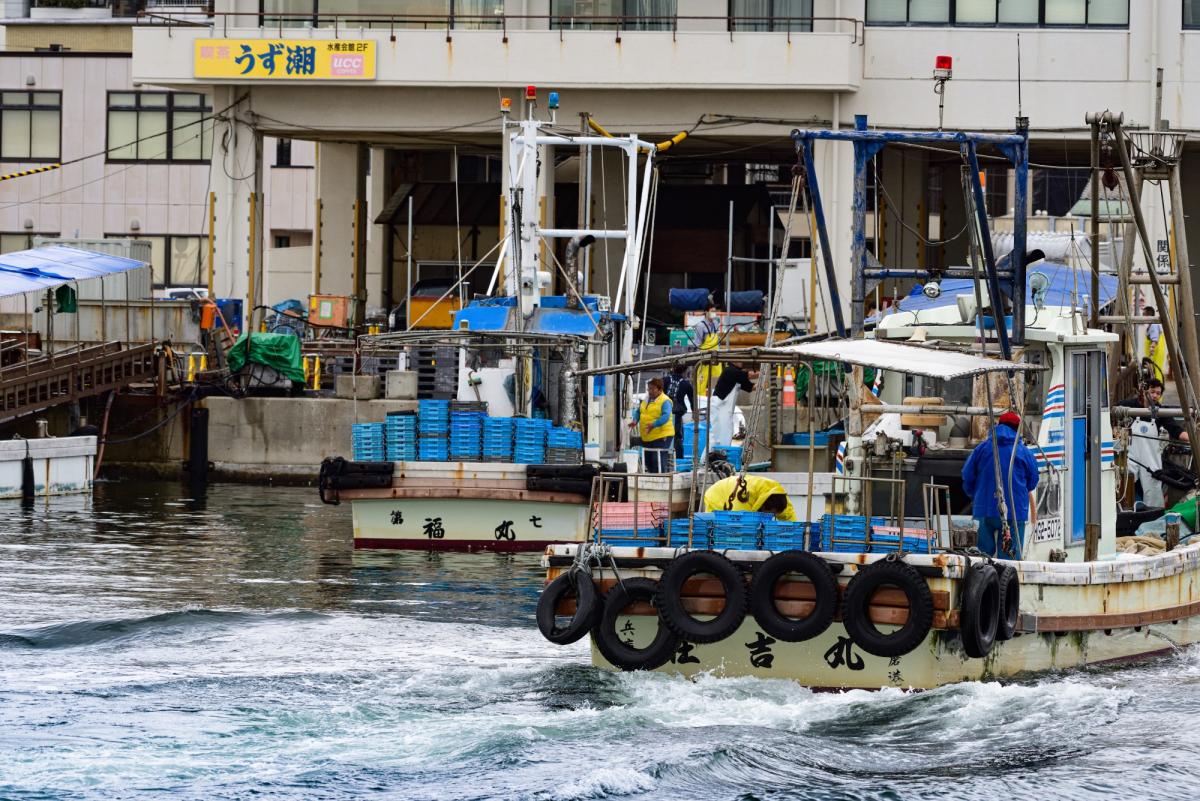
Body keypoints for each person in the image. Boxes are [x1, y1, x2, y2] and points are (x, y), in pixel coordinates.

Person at [961, 410, 1040, 559]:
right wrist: (1020, 492)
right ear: (1017, 429)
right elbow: (1033, 480)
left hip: (984, 510)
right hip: (1014, 513)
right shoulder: (1024, 452)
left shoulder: (982, 449)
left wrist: (976, 495)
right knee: (1009, 560)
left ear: (998, 426)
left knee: (982, 559)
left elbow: (967, 475)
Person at [1117, 378, 1188, 508]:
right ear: (1144, 392)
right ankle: (1123, 510)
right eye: (1152, 392)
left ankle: (1153, 515)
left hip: (1150, 458)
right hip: (1130, 455)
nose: (1155, 395)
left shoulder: (1161, 412)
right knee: (1123, 481)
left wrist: (1191, 438)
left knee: (1153, 488)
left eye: (1158, 393)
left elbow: (1176, 430)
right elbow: (1113, 414)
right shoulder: (1129, 405)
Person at [703, 474, 796, 521]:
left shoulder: (779, 496)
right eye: (769, 514)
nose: (771, 517)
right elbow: (741, 523)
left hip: (746, 489)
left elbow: (790, 518)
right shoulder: (743, 497)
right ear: (763, 507)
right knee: (723, 524)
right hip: (717, 494)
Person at [629, 377, 674, 473]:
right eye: (649, 388)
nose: (650, 391)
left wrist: (654, 424)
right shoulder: (646, 399)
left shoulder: (665, 401)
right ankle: (652, 478)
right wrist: (635, 421)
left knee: (657, 460)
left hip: (662, 436)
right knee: (648, 460)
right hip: (648, 435)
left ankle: (661, 479)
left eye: (653, 389)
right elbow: (638, 411)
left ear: (660, 390)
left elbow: (666, 416)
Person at [710, 361, 757, 447]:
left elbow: (749, 386)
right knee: (718, 436)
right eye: (740, 360)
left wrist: (762, 384)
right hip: (719, 407)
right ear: (733, 361)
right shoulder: (730, 371)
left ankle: (721, 454)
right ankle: (712, 456)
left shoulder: (736, 376)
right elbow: (749, 375)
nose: (742, 362)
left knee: (725, 433)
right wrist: (765, 372)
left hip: (725, 409)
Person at [692, 303, 723, 397]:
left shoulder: (716, 324)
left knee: (718, 378)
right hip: (704, 356)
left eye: (715, 311)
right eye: (712, 311)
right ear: (706, 312)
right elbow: (697, 344)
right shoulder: (700, 326)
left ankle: (716, 398)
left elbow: (717, 341)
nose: (714, 313)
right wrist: (699, 357)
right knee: (701, 380)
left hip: (716, 356)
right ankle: (699, 401)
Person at [664, 364, 695, 460]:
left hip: (663, 412)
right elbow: (693, 401)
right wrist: (695, 413)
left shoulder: (665, 380)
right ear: (685, 371)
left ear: (672, 369)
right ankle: (678, 459)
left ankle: (662, 457)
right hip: (677, 414)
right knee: (677, 436)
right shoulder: (686, 384)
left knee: (662, 435)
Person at [1144, 306, 1166, 381]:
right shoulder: (1152, 325)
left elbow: (1155, 340)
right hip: (1156, 353)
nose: (1143, 317)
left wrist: (1151, 350)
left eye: (1144, 314)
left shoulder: (1153, 325)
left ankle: (1158, 390)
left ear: (1148, 315)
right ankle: (1157, 389)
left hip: (1156, 353)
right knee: (1155, 371)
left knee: (1157, 372)